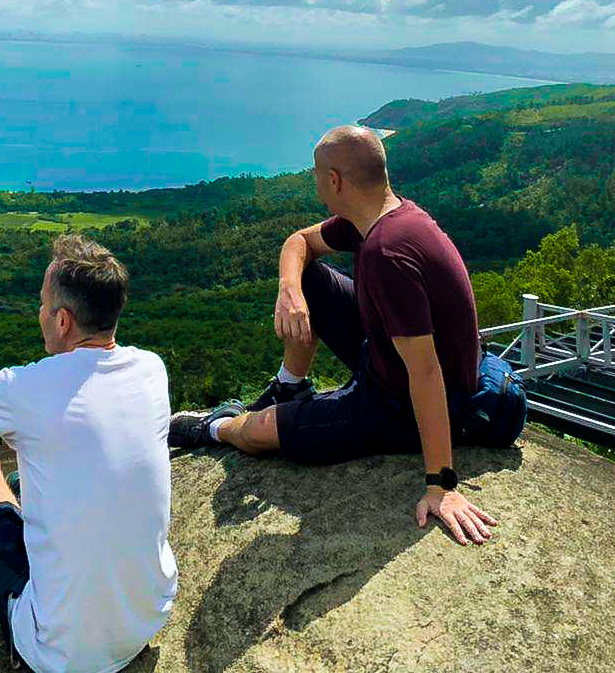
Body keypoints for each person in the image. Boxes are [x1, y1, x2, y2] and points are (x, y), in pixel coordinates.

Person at [168, 125, 499, 545]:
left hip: (396, 403)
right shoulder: (383, 215)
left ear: (334, 180)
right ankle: (289, 388)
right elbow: (298, 242)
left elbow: (426, 372)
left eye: (316, 174)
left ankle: (216, 427)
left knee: (257, 433)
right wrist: (290, 291)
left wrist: (441, 485)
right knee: (310, 276)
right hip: (387, 362)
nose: (315, 182)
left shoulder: (387, 253)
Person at [0, 235, 177, 672]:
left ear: (62, 321)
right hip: (147, 620)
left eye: (42, 303)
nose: (38, 313)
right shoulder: (152, 369)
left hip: (63, 652)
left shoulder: (25, 389)